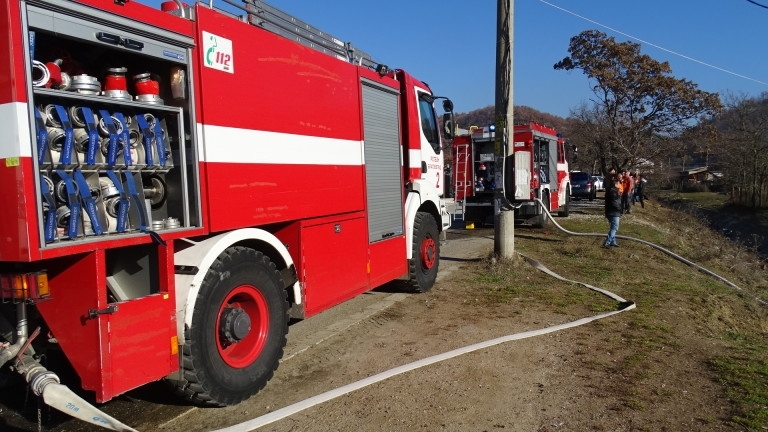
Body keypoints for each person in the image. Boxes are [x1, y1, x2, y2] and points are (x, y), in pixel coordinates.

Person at [604, 174, 623, 248]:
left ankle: (613, 241)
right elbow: (615, 202)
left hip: (609, 211)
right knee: (615, 227)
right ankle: (607, 242)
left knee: (612, 227)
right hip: (614, 211)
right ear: (615, 184)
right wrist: (620, 209)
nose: (620, 185)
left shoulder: (609, 190)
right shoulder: (613, 191)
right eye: (618, 184)